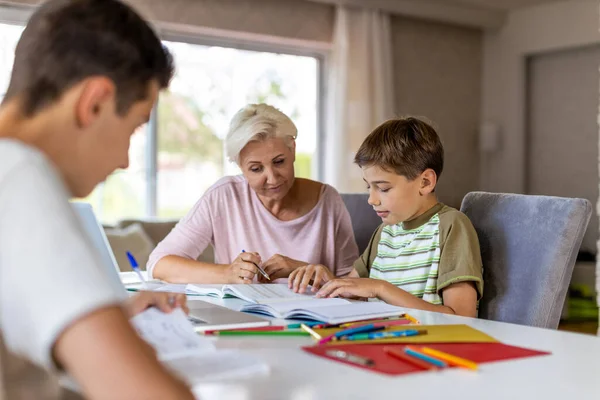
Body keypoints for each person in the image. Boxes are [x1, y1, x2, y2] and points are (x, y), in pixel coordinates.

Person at [0, 0, 195, 398]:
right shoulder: (19, 176)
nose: (125, 160)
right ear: (95, 102)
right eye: (136, 126)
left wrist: (109, 317)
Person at [288, 117, 483, 317]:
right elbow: (350, 289)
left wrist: (381, 288)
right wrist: (322, 278)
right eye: (368, 186)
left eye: (383, 188)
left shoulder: (451, 226)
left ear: (425, 182)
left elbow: (463, 317)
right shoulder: (386, 232)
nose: (371, 199)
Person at [149, 103, 359, 284]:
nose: (273, 178)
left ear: (292, 149)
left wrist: (303, 270)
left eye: (279, 162)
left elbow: (354, 287)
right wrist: (227, 273)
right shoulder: (223, 196)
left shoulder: (328, 201)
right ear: (240, 165)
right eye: (256, 169)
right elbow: (159, 264)